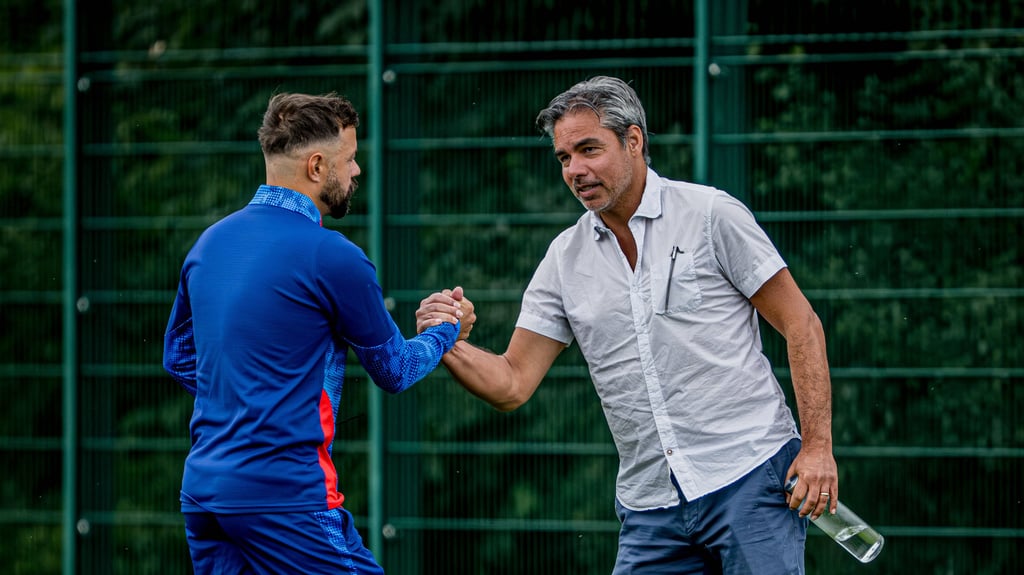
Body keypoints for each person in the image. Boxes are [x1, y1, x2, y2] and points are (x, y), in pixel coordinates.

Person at [421, 76, 838, 574]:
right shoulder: (563, 258)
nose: (575, 169)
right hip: (649, 508)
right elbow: (512, 382)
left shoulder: (710, 214)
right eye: (564, 158)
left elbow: (802, 325)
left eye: (588, 149)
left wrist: (816, 448)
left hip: (749, 477)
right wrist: (444, 341)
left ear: (634, 140)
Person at [163, 92, 468, 575]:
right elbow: (395, 370)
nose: (357, 172)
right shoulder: (333, 255)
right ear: (317, 164)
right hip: (286, 498)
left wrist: (252, 399)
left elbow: (179, 359)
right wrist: (445, 328)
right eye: (350, 159)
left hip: (204, 495)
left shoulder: (209, 244)